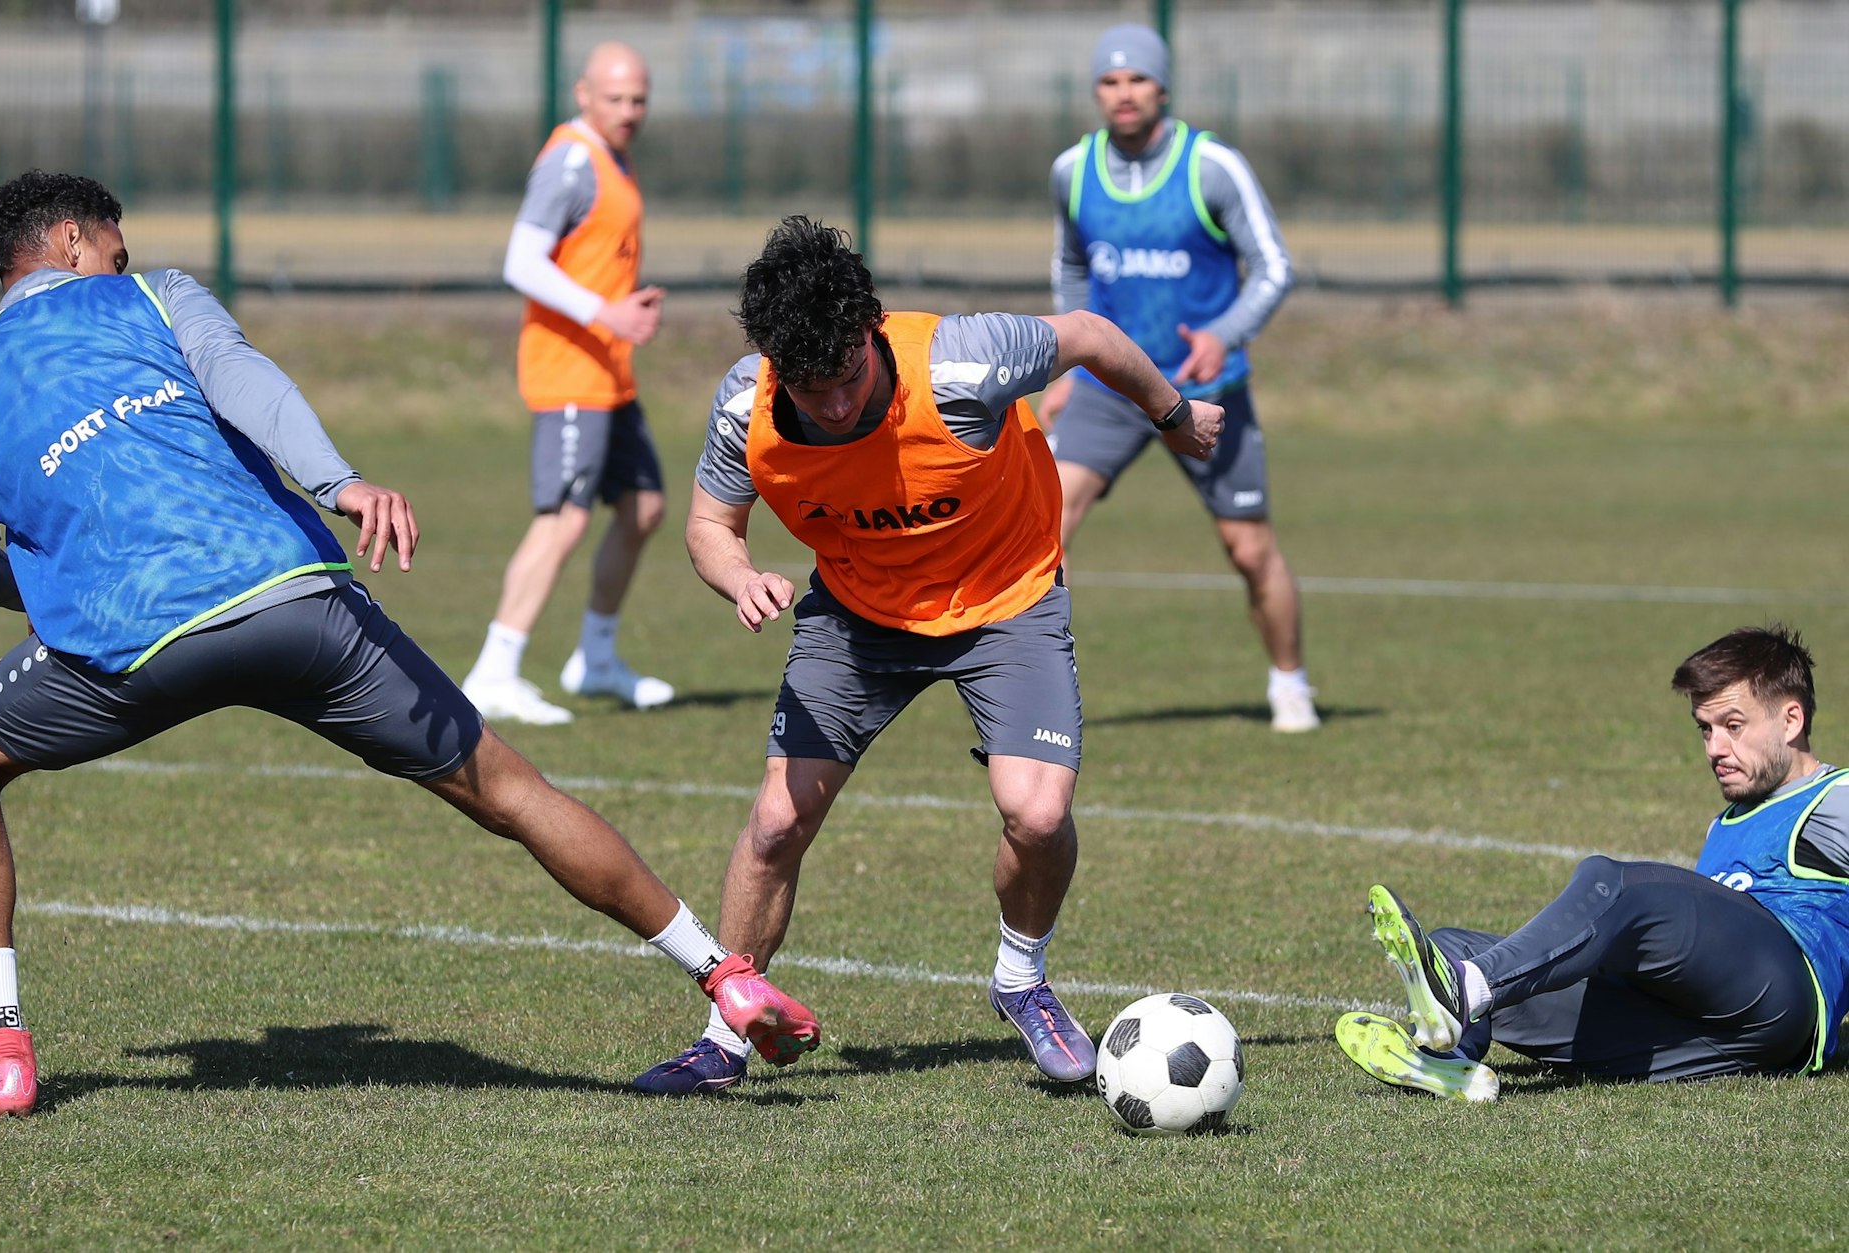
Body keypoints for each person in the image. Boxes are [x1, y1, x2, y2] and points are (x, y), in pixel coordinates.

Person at [0, 171, 819, 1118]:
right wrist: (341, 483)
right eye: (114, 248)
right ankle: (724, 975)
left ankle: (1, 1049)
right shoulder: (155, 294)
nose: (122, 263)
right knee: (514, 791)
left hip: (127, 641)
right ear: (74, 239)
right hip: (292, 599)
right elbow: (249, 381)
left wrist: (49, 592)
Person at [631, 215, 1222, 1096]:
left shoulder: (963, 363)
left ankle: (1021, 979)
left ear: (871, 331)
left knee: (1039, 814)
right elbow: (711, 524)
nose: (835, 406)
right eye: (811, 389)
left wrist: (1172, 416)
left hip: (1007, 601)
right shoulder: (745, 406)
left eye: (847, 378)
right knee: (777, 822)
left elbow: (1093, 336)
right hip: (857, 616)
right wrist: (740, 576)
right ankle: (726, 1035)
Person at [1337, 625, 1847, 1101]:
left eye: (1733, 726)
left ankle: (1464, 993)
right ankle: (1448, 1058)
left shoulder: (1833, 797)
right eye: (1704, 729)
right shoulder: (1726, 823)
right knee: (1453, 947)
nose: (1715, 748)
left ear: (1791, 720)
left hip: (1783, 999)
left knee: (1616, 885)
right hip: (1711, 1036)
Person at [1038, 23, 1316, 733]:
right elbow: (1072, 266)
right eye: (1109, 81)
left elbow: (1274, 267)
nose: (1123, 93)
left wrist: (1224, 334)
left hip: (1202, 390)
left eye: (1137, 79)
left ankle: (1289, 682)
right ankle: (1034, 697)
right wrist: (1067, 364)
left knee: (1247, 548)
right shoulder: (1073, 170)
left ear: (1162, 87)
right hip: (1107, 387)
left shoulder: (1212, 166)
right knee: (1041, 530)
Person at [458, 40, 673, 726]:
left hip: (609, 371)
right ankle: (494, 671)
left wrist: (623, 311)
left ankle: (596, 658)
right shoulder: (571, 161)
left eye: (638, 99)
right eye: (615, 98)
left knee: (643, 506)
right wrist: (605, 312)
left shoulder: (614, 158)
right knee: (564, 518)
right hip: (569, 371)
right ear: (583, 94)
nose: (629, 111)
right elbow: (521, 261)